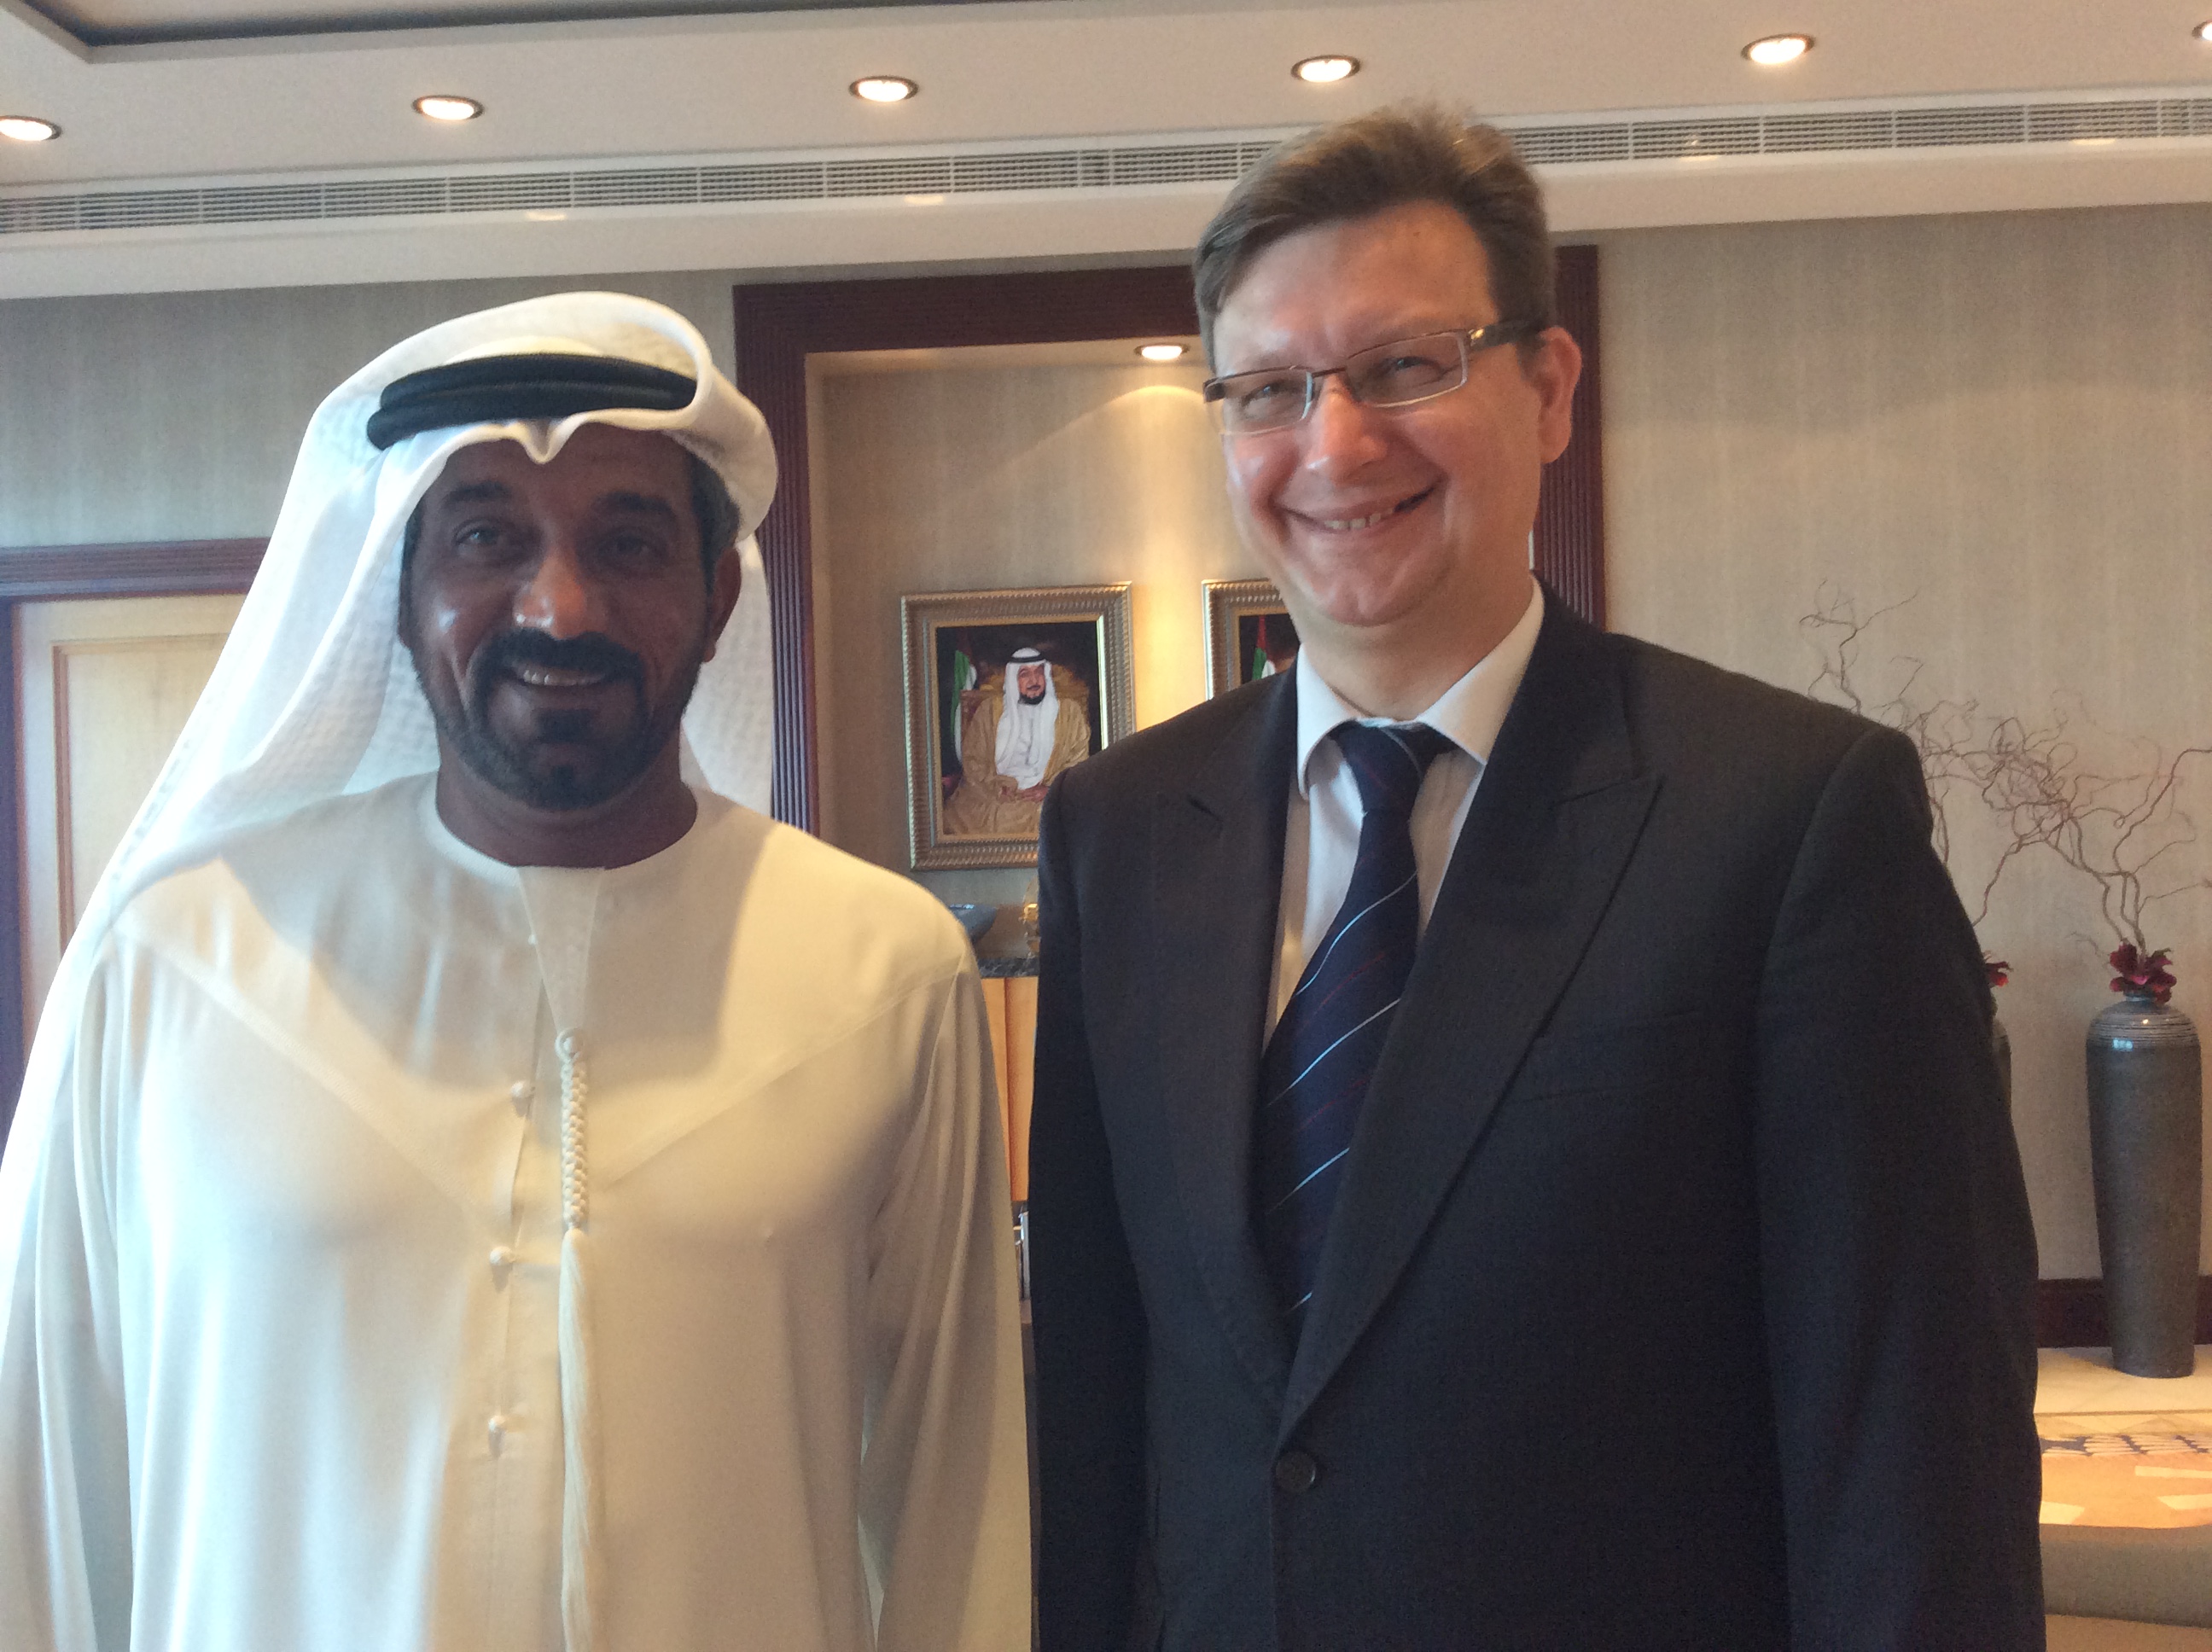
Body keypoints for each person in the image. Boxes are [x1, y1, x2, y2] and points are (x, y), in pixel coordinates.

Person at [1027, 108, 2042, 1650]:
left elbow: (1912, 1444)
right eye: (1271, 390)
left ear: (1550, 387)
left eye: (1404, 366)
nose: (1335, 445)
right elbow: (1100, 1395)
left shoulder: (1787, 818)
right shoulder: (1120, 828)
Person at [0, 293, 1032, 1652]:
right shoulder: (180, 962)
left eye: (629, 542)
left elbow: (959, 1504)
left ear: (717, 597)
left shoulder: (884, 975)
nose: (559, 605)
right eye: (486, 539)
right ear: (399, 589)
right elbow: (48, 1498)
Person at [941, 646, 1091, 837]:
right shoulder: (989, 711)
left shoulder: (1069, 713)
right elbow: (974, 759)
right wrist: (996, 788)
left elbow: (1078, 762)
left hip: (1045, 796)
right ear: (1013, 679)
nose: (1034, 681)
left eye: (1039, 672)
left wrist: (1051, 789)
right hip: (992, 794)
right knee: (958, 821)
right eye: (1025, 674)